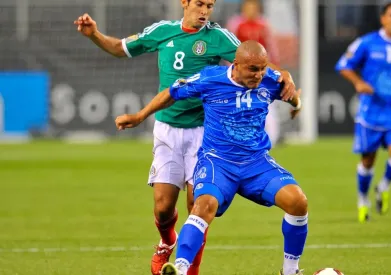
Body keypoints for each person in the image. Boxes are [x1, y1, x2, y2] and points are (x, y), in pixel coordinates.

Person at [73, 1, 297, 274]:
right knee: (163, 207)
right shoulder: (162, 31)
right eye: (200, 4)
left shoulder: (218, 37)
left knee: (198, 206)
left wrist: (282, 74)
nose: (205, 10)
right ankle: (167, 241)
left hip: (203, 133)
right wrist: (94, 34)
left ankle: (189, 270)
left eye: (210, 5)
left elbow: (251, 59)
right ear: (185, 3)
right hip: (167, 129)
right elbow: (120, 48)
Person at [115, 40, 308, 275]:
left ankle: (290, 271)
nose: (259, 75)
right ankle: (181, 269)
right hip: (218, 162)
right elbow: (171, 93)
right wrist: (139, 116)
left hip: (256, 163)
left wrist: (296, 103)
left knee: (298, 202)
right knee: (203, 205)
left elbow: (291, 94)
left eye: (262, 69)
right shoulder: (210, 79)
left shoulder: (270, 80)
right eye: (253, 69)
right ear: (236, 65)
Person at [335, 1, 391, 223]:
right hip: (371, 112)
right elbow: (343, 65)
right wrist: (358, 82)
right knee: (368, 160)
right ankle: (363, 198)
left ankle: (383, 185)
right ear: (383, 18)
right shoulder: (367, 43)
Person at [226, 0, 282, 146]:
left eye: (254, 7)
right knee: (238, 104)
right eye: (248, 7)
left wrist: (274, 68)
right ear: (244, 8)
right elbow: (230, 49)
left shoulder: (264, 25)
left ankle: (272, 138)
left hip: (262, 71)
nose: (251, 10)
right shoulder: (236, 24)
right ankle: (237, 138)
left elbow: (271, 47)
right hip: (241, 73)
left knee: (267, 102)